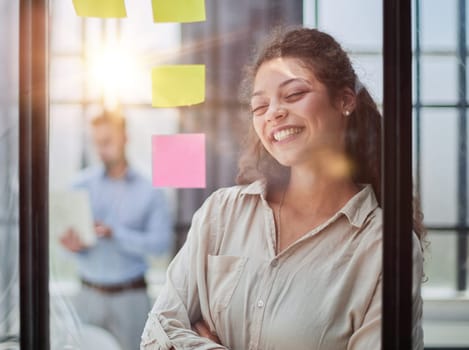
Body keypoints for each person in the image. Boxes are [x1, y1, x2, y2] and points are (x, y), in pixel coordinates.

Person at [140, 27, 425, 350]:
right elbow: (156, 335)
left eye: (293, 95)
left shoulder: (385, 247)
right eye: (260, 107)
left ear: (345, 100)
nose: (274, 113)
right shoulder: (221, 213)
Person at [59, 110, 172, 350]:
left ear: (125, 138)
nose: (101, 148)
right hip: (87, 296)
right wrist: (71, 247)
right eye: (97, 141)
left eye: (107, 140)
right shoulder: (79, 185)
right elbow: (64, 249)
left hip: (130, 297)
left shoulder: (150, 190)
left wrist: (116, 234)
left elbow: (161, 245)